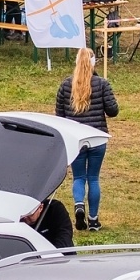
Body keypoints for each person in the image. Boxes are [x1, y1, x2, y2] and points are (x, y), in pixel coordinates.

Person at [55, 47, 118, 231]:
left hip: (76, 139)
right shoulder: (102, 83)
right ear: (93, 63)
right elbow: (113, 111)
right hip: (97, 137)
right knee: (94, 178)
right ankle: (93, 219)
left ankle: (78, 205)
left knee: (79, 177)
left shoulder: (66, 85)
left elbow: (59, 115)